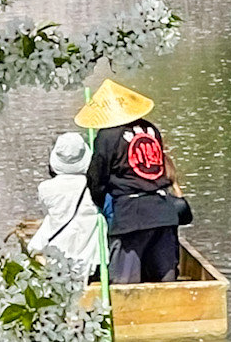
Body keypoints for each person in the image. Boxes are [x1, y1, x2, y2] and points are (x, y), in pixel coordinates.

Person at [76, 78, 187, 284]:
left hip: (131, 215)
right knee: (166, 280)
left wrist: (103, 204)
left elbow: (96, 178)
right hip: (163, 211)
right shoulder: (151, 129)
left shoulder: (108, 135)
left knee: (125, 282)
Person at [28, 131, 102, 276]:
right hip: (91, 259)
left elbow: (47, 212)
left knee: (48, 225)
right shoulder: (96, 187)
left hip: (59, 254)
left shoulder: (45, 188)